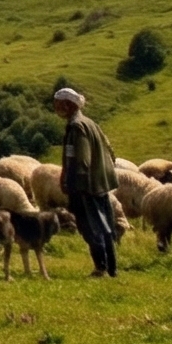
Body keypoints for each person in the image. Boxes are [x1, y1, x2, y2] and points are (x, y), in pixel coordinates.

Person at [55, 85, 119, 276]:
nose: (56, 108)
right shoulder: (90, 123)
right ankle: (111, 268)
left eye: (58, 104)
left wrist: (73, 183)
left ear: (68, 105)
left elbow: (82, 158)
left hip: (86, 186)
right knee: (105, 224)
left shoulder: (76, 127)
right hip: (101, 183)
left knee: (91, 226)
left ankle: (101, 267)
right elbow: (110, 150)